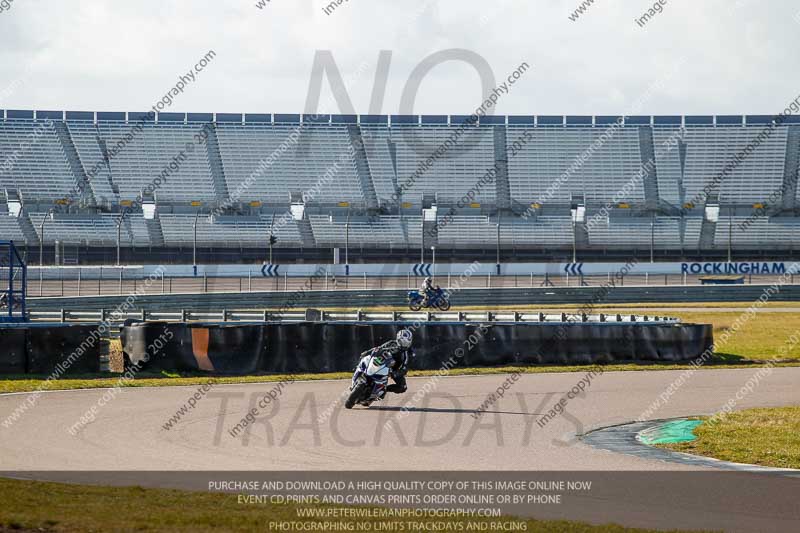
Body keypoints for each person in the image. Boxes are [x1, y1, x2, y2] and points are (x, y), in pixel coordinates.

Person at [361, 329, 414, 396]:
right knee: (369, 360)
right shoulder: (391, 343)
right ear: (398, 339)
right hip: (383, 362)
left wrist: (396, 373)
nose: (405, 345)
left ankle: (383, 389)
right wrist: (367, 352)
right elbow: (379, 348)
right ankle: (361, 372)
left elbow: (406, 367)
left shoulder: (409, 352)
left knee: (403, 387)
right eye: (403, 342)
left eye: (407, 343)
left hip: (395, 369)